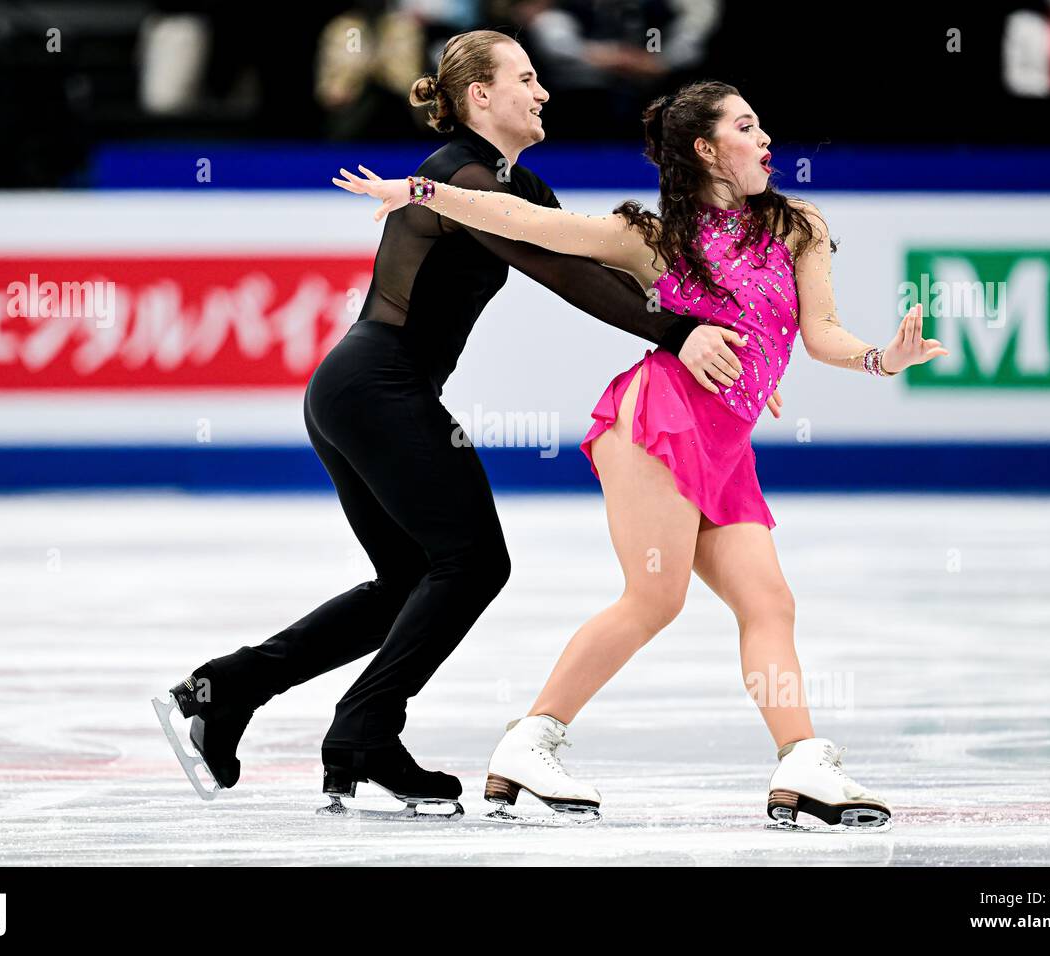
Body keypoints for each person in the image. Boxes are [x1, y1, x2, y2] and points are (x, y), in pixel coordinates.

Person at [154, 33, 773, 815]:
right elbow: (564, 274)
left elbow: (607, 256)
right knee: (473, 564)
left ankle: (222, 691)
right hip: (376, 387)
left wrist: (721, 308)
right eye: (526, 77)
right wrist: (678, 336)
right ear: (480, 96)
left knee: (409, 583)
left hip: (361, 390)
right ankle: (365, 727)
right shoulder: (457, 177)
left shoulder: (513, 185)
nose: (544, 91)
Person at [334, 79, 949, 828]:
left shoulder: (798, 227)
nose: (765, 142)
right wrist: (426, 190)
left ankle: (802, 761)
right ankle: (531, 743)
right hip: (655, 421)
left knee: (769, 603)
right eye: (747, 128)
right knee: (655, 597)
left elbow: (822, 334)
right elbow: (524, 220)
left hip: (725, 442)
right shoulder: (652, 238)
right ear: (706, 150)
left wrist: (882, 359)